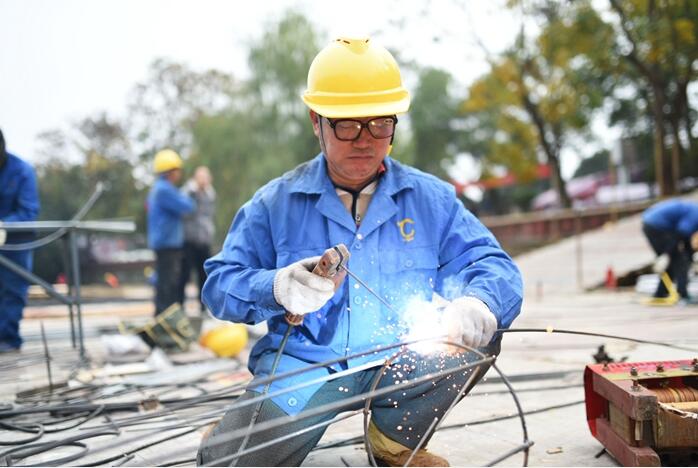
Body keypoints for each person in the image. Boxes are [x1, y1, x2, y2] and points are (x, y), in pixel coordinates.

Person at [197, 38, 523, 467]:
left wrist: (479, 302)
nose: (364, 140)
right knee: (233, 462)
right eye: (347, 125)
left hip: (406, 358)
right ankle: (232, 435)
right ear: (317, 121)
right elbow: (219, 284)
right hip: (307, 367)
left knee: (481, 335)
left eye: (379, 124)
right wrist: (274, 287)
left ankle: (393, 441)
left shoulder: (430, 199)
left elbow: (493, 264)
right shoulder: (274, 204)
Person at [0, 128, 40, 352]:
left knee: (13, 291)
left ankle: (8, 340)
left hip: (16, 243)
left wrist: (4, 224)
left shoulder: (22, 171)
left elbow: (29, 211)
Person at [147, 149, 195, 315]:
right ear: (170, 171)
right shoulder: (164, 190)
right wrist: (188, 191)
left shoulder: (159, 188)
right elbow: (188, 206)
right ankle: (164, 320)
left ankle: (162, 318)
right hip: (167, 243)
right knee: (167, 285)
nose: (179, 174)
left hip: (164, 242)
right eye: (177, 170)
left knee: (165, 283)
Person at [642, 199, 698, 301]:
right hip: (656, 226)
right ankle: (683, 295)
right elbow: (681, 234)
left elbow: (685, 239)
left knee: (675, 260)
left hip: (653, 224)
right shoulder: (696, 214)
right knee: (680, 261)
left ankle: (660, 293)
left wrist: (689, 256)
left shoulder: (693, 212)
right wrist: (666, 254)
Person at [178, 166, 216, 313]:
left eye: (206, 177)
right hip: (188, 239)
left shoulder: (211, 194)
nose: (203, 180)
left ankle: (204, 307)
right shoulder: (187, 192)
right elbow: (183, 213)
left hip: (204, 239)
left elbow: (209, 216)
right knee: (184, 274)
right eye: (201, 177)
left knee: (204, 274)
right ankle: (179, 305)